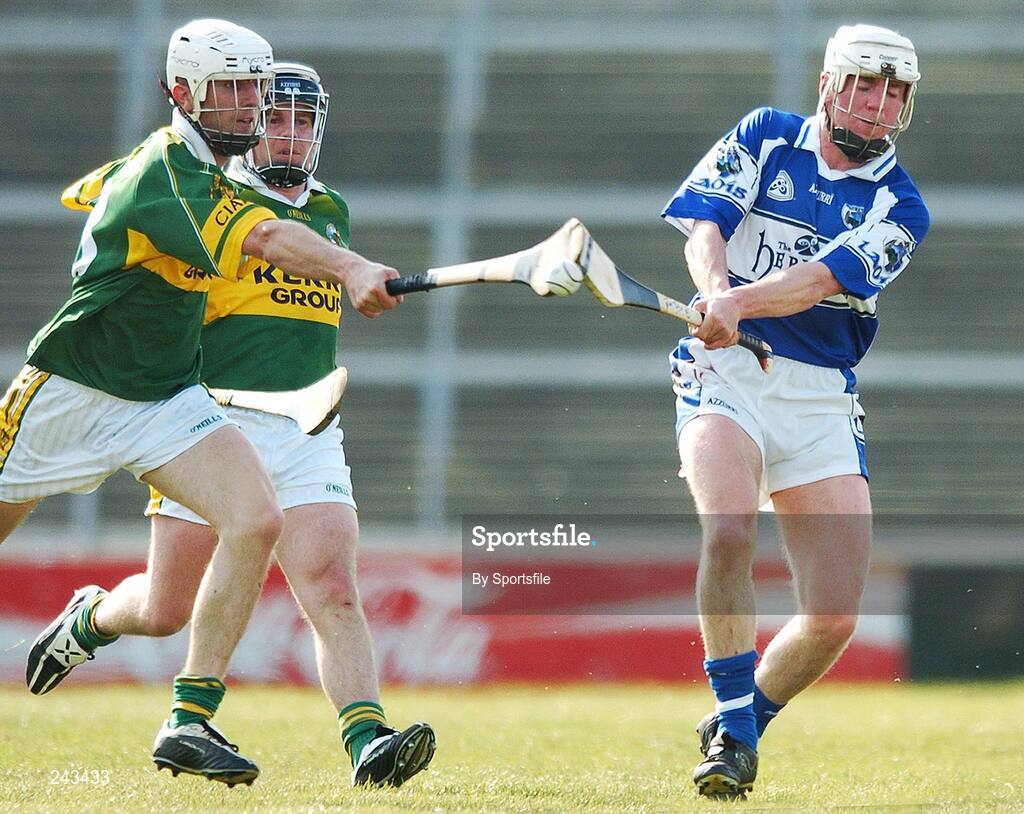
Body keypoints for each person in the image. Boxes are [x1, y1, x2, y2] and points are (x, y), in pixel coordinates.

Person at [27, 61, 435, 789]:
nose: (287, 133)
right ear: (244, 121)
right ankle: (91, 619)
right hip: (206, 424)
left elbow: (313, 307)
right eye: (275, 117)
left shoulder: (332, 210)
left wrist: (358, 283)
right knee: (161, 609)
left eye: (302, 121)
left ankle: (368, 740)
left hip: (308, 429)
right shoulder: (206, 201)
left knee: (333, 583)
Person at [661, 24, 929, 798]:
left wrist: (735, 301)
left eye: (895, 93)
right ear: (828, 84)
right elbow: (706, 224)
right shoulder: (766, 136)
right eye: (866, 85)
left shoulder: (901, 207)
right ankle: (734, 744)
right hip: (724, 373)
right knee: (729, 529)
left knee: (835, 616)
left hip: (818, 398)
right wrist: (716, 298)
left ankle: (740, 720)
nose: (878, 106)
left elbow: (816, 281)